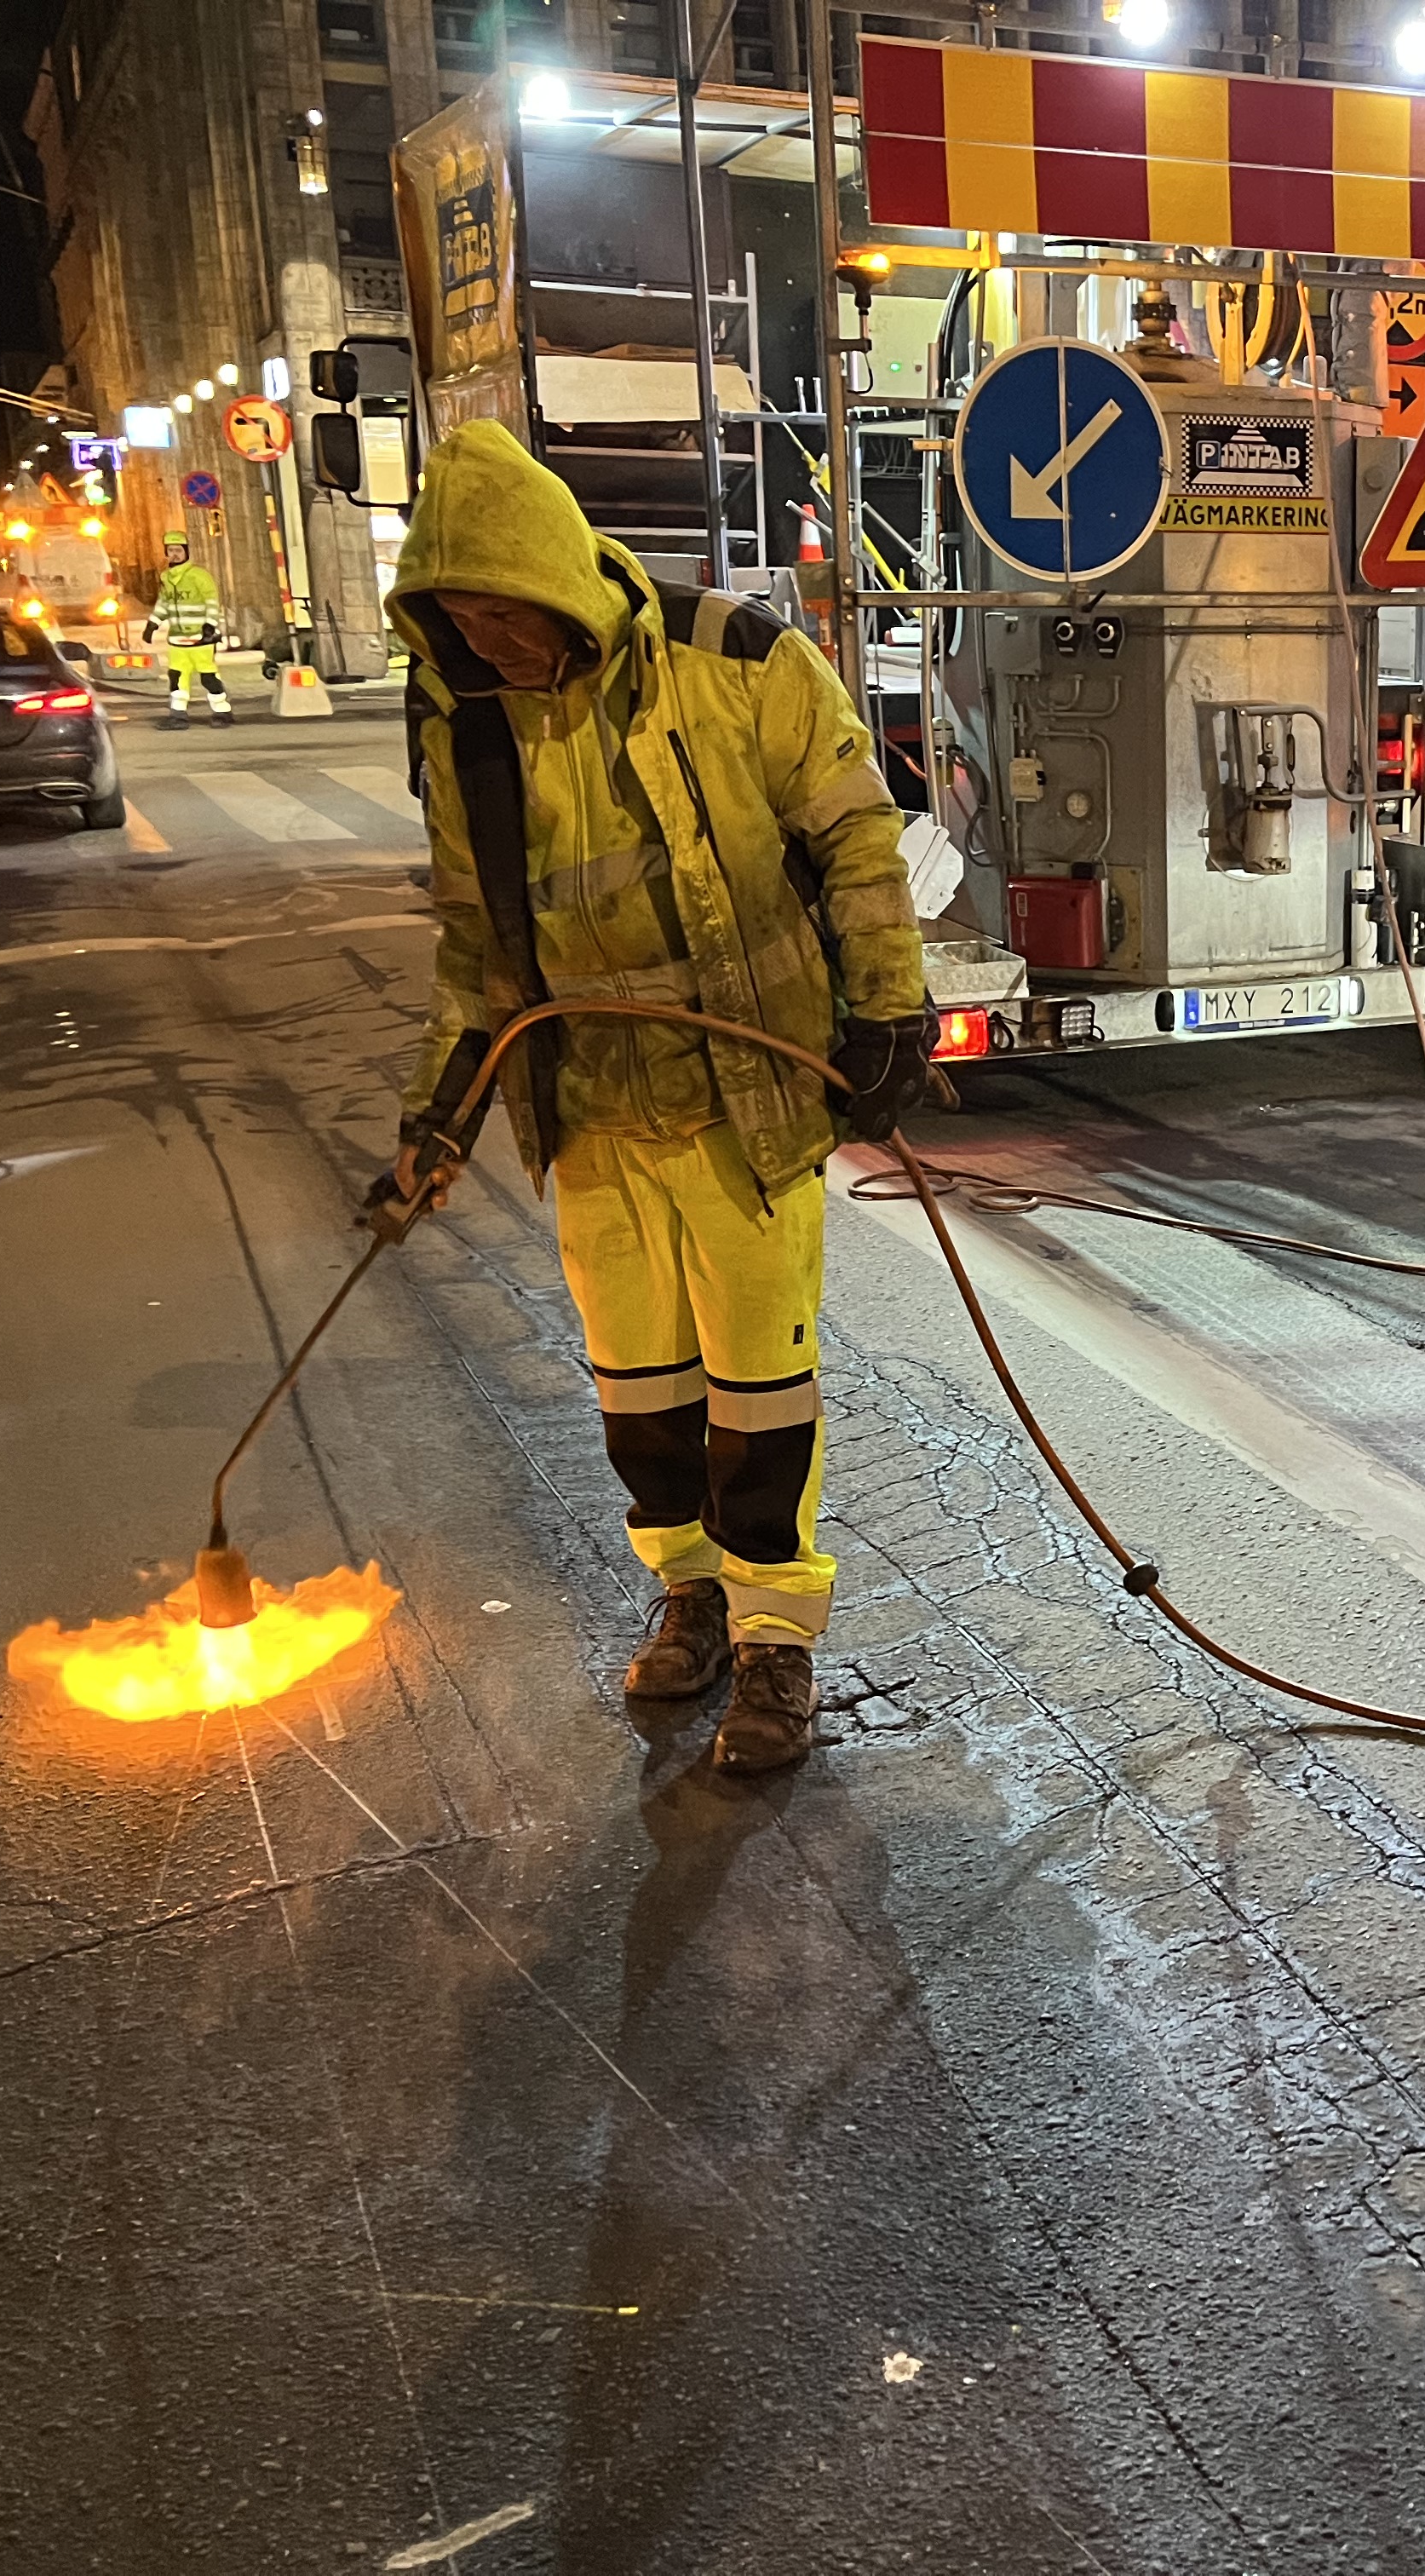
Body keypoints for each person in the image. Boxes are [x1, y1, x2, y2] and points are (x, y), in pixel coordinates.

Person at [387, 419, 932, 1774]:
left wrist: (888, 1009)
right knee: (640, 1394)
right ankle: (689, 1593)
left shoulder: (736, 661)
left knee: (760, 1396)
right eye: (457, 623)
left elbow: (857, 835)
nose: (486, 644)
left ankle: (775, 1639)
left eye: (501, 614)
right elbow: (474, 943)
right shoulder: (469, 725)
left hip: (747, 1101)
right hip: (592, 1116)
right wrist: (438, 1115)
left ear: (556, 581)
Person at [143, 541, 234, 722]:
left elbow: (211, 601)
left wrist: (210, 624)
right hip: (177, 639)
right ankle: (178, 715)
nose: (175, 554)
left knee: (208, 677)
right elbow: (164, 603)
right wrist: (153, 624)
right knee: (177, 677)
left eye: (178, 550)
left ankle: (222, 711)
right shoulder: (166, 578)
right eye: (171, 550)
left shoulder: (198, 576)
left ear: (186, 552)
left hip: (201, 639)